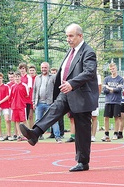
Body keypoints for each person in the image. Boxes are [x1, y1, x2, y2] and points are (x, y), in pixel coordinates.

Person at [19, 23, 98, 172]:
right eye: (67, 36)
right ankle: (35, 133)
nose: (68, 39)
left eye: (71, 36)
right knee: (53, 110)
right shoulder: (70, 51)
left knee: (82, 130)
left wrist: (71, 83)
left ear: (80, 36)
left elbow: (89, 72)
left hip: (81, 95)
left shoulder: (88, 52)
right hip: (66, 92)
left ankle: (83, 162)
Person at [32, 62, 62, 143]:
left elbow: (57, 89)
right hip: (39, 103)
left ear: (48, 68)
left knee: (53, 120)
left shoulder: (53, 77)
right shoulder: (37, 78)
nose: (43, 69)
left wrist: (55, 101)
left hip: (50, 103)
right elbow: (34, 90)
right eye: (42, 67)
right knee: (38, 120)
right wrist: (34, 102)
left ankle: (57, 137)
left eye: (45, 67)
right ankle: (36, 136)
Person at [101, 63, 124, 142]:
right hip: (108, 101)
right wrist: (112, 89)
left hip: (117, 101)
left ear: (116, 68)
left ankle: (115, 133)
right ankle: (106, 134)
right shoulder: (106, 79)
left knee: (116, 118)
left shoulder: (120, 79)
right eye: (111, 69)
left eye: (113, 68)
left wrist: (109, 88)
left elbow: (118, 90)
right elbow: (104, 91)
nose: (112, 70)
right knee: (106, 118)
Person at [9, 71, 29, 141]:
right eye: (16, 77)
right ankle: (19, 135)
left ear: (20, 77)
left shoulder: (24, 85)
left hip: (22, 106)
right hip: (14, 106)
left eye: (18, 76)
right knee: (17, 121)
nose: (17, 78)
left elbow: (27, 95)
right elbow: (11, 96)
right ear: (14, 78)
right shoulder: (12, 87)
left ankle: (27, 134)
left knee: (24, 120)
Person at [18, 63, 32, 127]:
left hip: (26, 101)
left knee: (25, 118)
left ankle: (27, 134)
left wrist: (23, 96)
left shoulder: (28, 77)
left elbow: (28, 89)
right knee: (19, 119)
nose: (22, 70)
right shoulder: (18, 77)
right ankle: (20, 134)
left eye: (23, 68)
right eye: (20, 68)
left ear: (26, 69)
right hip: (19, 101)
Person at [91, 71, 102, 142]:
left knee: (94, 117)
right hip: (85, 98)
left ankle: (93, 136)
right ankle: (87, 135)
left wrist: (96, 97)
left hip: (94, 98)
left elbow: (99, 87)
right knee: (86, 117)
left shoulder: (97, 75)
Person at [6, 71, 15, 140]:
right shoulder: (7, 85)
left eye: (12, 77)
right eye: (9, 77)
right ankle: (9, 134)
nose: (11, 78)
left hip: (14, 105)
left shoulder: (16, 84)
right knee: (8, 120)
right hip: (8, 105)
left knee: (15, 120)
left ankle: (15, 134)